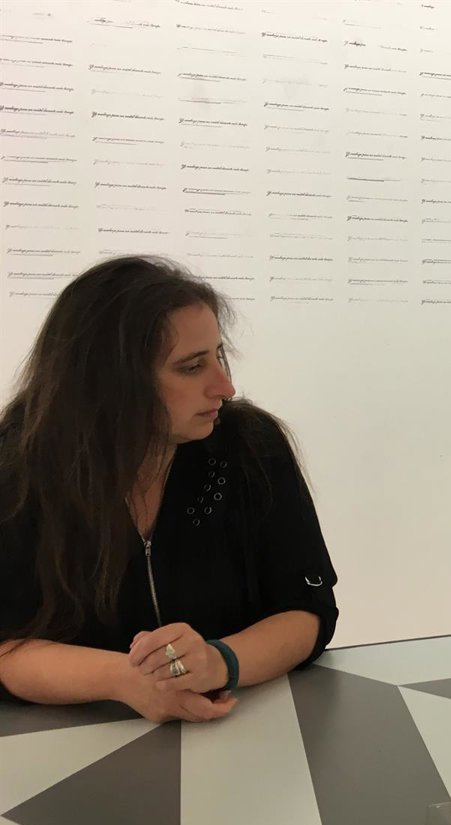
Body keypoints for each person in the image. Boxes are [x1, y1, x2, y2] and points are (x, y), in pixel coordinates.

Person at [0, 256, 338, 722]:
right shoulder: (18, 469)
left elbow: (308, 609)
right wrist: (125, 679)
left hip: (243, 727)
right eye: (191, 367)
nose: (225, 386)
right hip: (76, 737)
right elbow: (8, 645)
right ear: (109, 381)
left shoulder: (252, 448)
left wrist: (220, 661)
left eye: (218, 356)